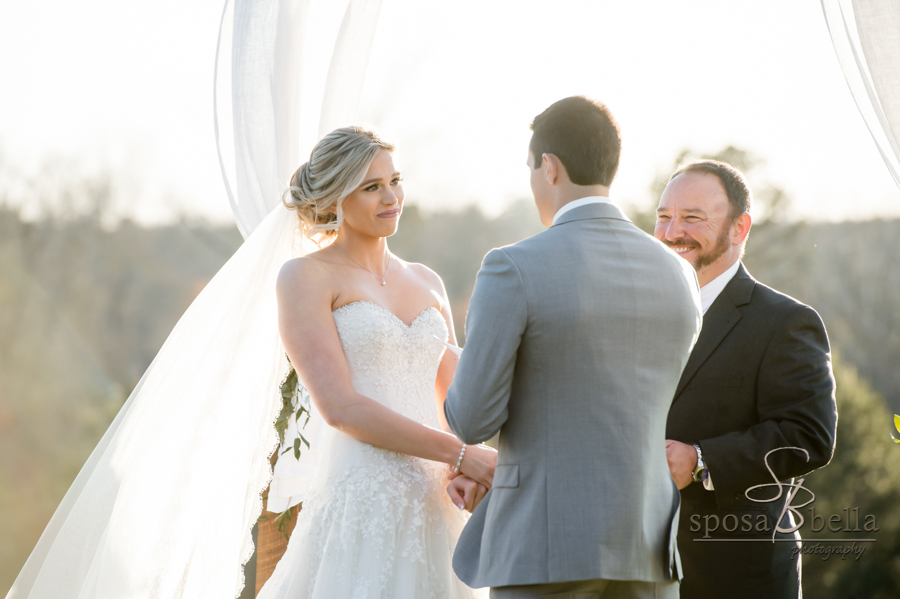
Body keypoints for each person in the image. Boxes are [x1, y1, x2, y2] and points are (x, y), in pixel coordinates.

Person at [443, 96, 702, 599]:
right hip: (648, 550)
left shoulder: (512, 267)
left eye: (532, 169)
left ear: (549, 166)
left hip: (544, 547)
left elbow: (471, 419)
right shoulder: (680, 274)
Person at [257, 126, 495, 598]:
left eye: (394, 180)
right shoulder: (306, 277)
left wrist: (464, 470)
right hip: (364, 499)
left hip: (436, 502)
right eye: (371, 187)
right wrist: (460, 455)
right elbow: (339, 407)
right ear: (335, 198)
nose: (391, 197)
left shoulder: (427, 281)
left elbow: (456, 402)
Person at [656, 160, 838, 599]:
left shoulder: (786, 322)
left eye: (692, 218)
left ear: (740, 228)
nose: (671, 231)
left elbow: (809, 435)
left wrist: (701, 460)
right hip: (634, 567)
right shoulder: (638, 314)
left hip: (736, 571)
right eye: (663, 217)